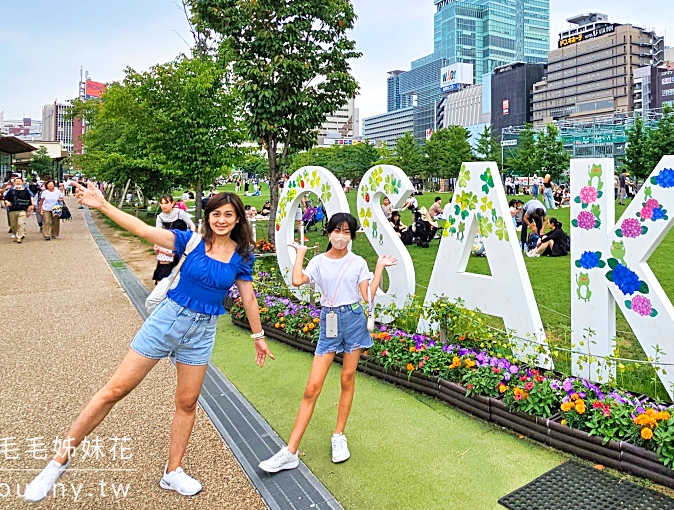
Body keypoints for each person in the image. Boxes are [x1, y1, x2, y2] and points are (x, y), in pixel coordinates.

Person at [23, 185, 272, 502]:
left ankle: (173, 471)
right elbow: (141, 229)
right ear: (207, 217)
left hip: (202, 332)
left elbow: (248, 298)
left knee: (187, 403)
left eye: (228, 215)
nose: (221, 220)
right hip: (167, 321)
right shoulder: (190, 241)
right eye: (216, 214)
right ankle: (57, 462)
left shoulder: (241, 257)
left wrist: (258, 336)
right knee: (115, 390)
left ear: (238, 219)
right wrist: (103, 206)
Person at [259, 213, 395, 472]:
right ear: (329, 232)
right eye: (337, 230)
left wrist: (378, 268)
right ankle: (290, 451)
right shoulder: (319, 262)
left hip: (353, 320)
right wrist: (300, 253)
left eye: (346, 232)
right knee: (312, 387)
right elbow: (297, 281)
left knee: (347, 379)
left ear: (352, 236)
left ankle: (339, 436)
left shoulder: (357, 263)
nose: (341, 236)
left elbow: (367, 297)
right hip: (329, 320)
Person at [153, 195, 195, 282]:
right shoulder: (160, 217)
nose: (164, 206)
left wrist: (192, 238)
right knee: (164, 264)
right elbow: (158, 232)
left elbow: (192, 226)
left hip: (182, 241)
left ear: (172, 203)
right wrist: (156, 244)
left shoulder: (180, 213)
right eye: (162, 203)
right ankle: (162, 285)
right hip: (168, 243)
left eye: (166, 203)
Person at [2, 176, 35, 242]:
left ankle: (19, 237)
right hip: (12, 210)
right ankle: (17, 233)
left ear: (22, 182)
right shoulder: (11, 191)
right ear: (14, 183)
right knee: (13, 225)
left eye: (19, 181)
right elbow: (5, 198)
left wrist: (31, 207)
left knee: (21, 223)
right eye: (16, 181)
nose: (18, 183)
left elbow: (30, 199)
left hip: (22, 209)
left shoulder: (26, 191)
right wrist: (7, 202)